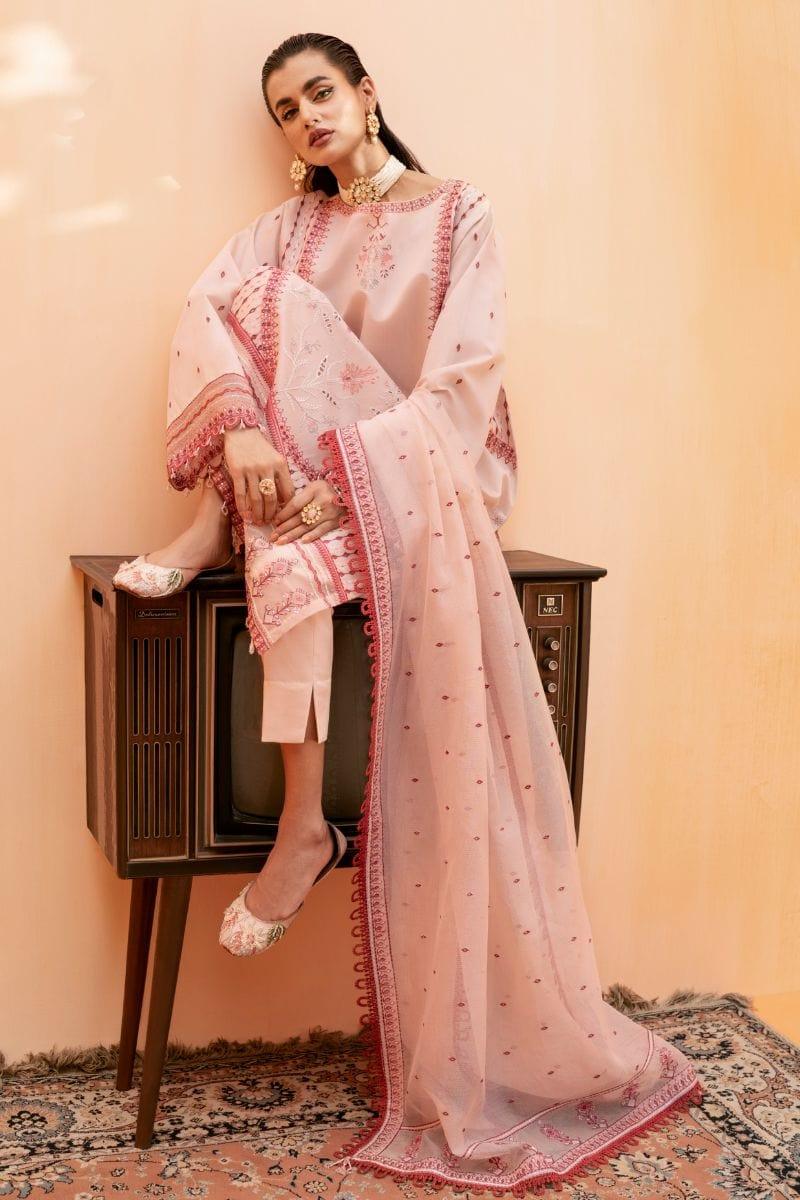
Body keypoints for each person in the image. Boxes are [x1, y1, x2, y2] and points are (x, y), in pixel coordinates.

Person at [113, 31, 703, 1195]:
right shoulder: (288, 230)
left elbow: (462, 382)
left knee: (272, 321)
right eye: (285, 110)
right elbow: (204, 309)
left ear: (366, 92)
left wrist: (351, 475)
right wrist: (245, 434)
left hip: (424, 466)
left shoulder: (459, 212)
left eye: (319, 92)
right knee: (260, 356)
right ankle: (299, 809)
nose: (305, 117)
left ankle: (212, 532)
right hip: (302, 476)